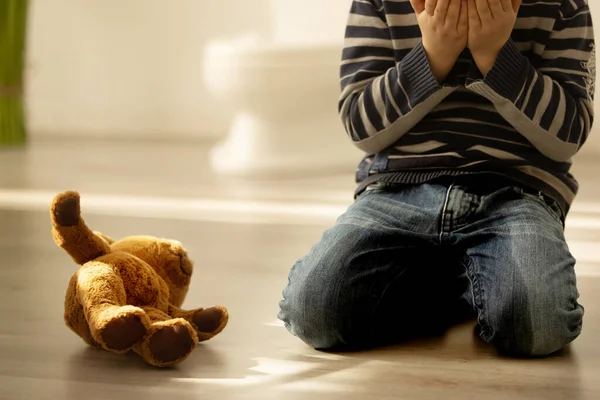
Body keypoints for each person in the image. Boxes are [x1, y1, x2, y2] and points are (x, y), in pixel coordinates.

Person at [277, 0, 595, 358]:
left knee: (539, 324)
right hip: (396, 190)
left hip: (515, 192)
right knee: (314, 312)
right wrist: (433, 57)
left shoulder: (562, 5)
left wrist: (494, 56)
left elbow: (568, 135)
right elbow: (361, 126)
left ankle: (462, 283)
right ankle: (459, 285)